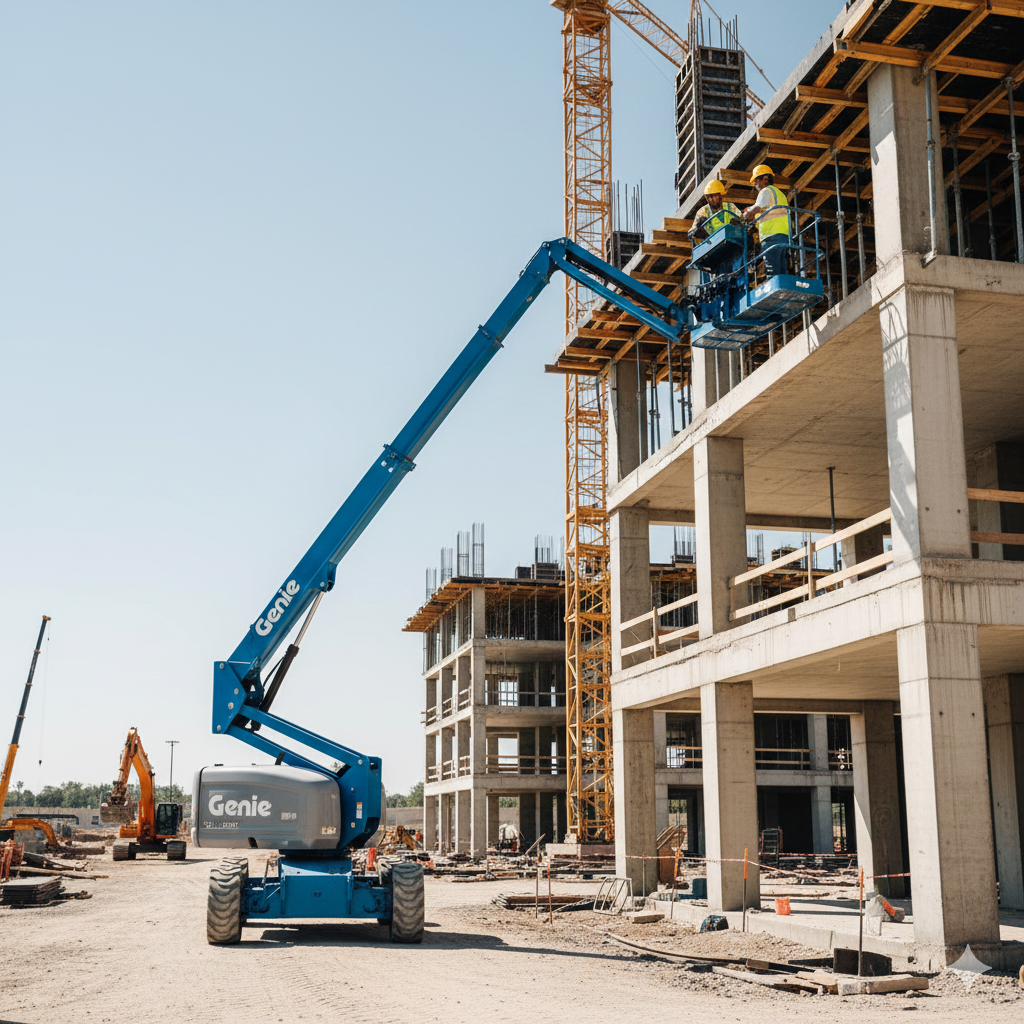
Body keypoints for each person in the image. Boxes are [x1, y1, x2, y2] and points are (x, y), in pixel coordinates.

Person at [743, 164, 791, 276]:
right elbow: (766, 211)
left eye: (756, 181)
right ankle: (784, 290)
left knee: (772, 269)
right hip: (783, 235)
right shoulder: (780, 194)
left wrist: (747, 213)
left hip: (771, 236)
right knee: (782, 268)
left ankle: (777, 292)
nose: (755, 184)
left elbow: (758, 207)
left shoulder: (766, 191)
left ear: (765, 179)